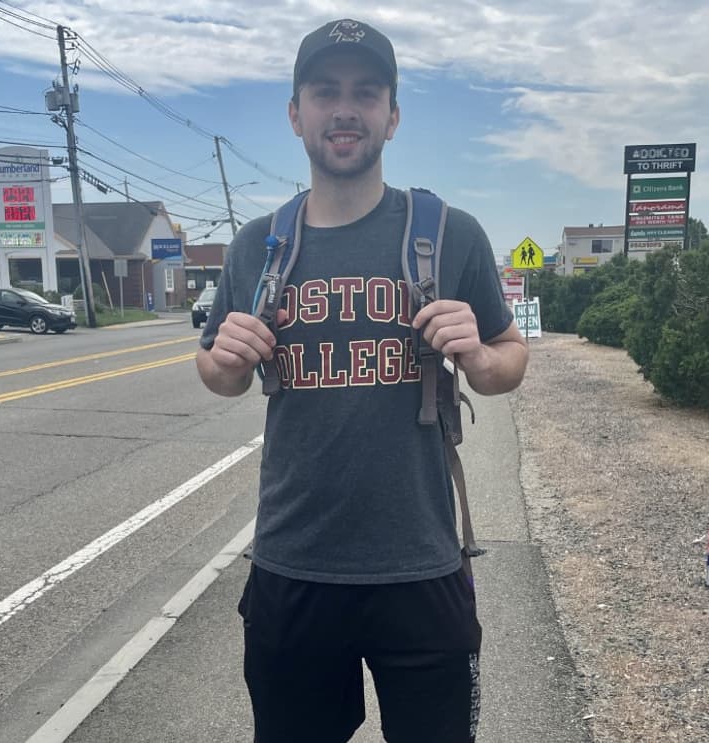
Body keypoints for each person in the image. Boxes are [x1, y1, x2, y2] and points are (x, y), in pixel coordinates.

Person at [195, 18, 528, 743]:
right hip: (295, 566)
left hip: (422, 563)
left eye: (365, 93)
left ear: (392, 115)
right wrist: (223, 364)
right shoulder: (259, 245)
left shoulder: (450, 233)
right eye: (324, 92)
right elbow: (217, 370)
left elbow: (510, 358)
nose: (344, 108)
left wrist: (478, 356)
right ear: (296, 113)